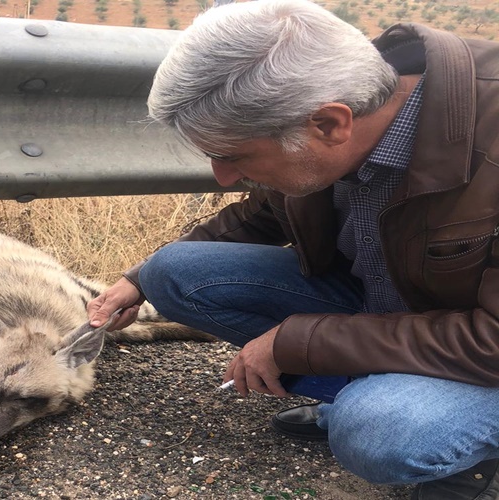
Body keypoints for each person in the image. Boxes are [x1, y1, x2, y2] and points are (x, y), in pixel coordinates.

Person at [86, 1, 499, 498]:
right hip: (395, 310)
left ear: (329, 125)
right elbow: (266, 210)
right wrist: (138, 277)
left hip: (483, 346)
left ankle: (455, 442)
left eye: (233, 156)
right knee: (169, 271)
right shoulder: (334, 104)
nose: (221, 177)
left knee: (382, 432)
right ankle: (369, 391)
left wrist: (299, 342)